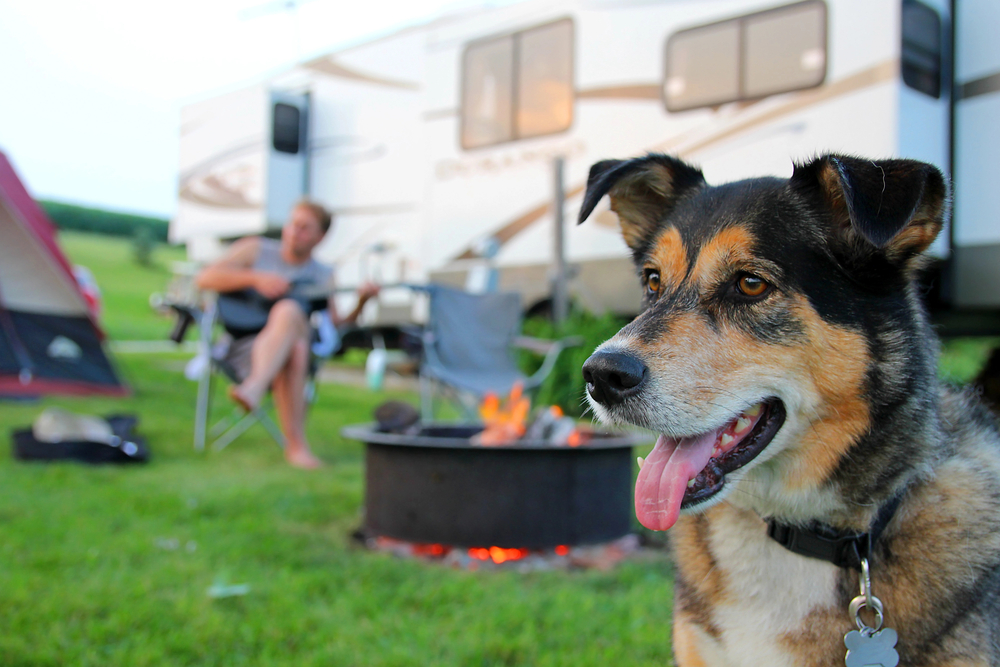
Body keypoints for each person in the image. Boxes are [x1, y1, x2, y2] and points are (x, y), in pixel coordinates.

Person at [196, 201, 379, 468]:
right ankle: (296, 447)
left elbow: (336, 326)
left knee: (290, 314)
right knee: (296, 344)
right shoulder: (256, 250)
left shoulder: (323, 275)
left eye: (305, 228)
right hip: (244, 344)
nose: (295, 232)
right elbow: (205, 278)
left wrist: (363, 302)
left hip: (293, 347)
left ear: (321, 237)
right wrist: (255, 279)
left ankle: (254, 388)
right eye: (293, 223)